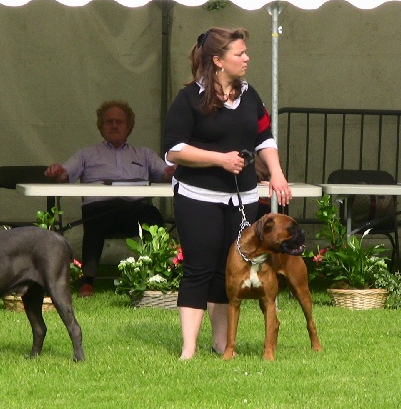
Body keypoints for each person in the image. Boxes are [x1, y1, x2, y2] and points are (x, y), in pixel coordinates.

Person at [162, 27, 291, 360]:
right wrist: (220, 159)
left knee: (226, 270)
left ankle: (222, 344)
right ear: (218, 61)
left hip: (242, 198)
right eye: (239, 53)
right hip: (197, 197)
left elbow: (264, 137)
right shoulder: (189, 98)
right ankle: (189, 348)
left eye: (245, 52)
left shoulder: (250, 95)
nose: (247, 58)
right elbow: (173, 150)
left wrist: (276, 172)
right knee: (198, 269)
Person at [45, 100, 173, 298]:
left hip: (134, 208)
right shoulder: (86, 154)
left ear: (129, 127)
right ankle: (87, 281)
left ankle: (156, 274)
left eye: (119, 122)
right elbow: (64, 175)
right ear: (101, 126)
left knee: (153, 216)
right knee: (95, 220)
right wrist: (57, 172)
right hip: (100, 209)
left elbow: (166, 175)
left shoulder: (144, 154)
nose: (114, 125)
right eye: (109, 121)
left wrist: (174, 171)